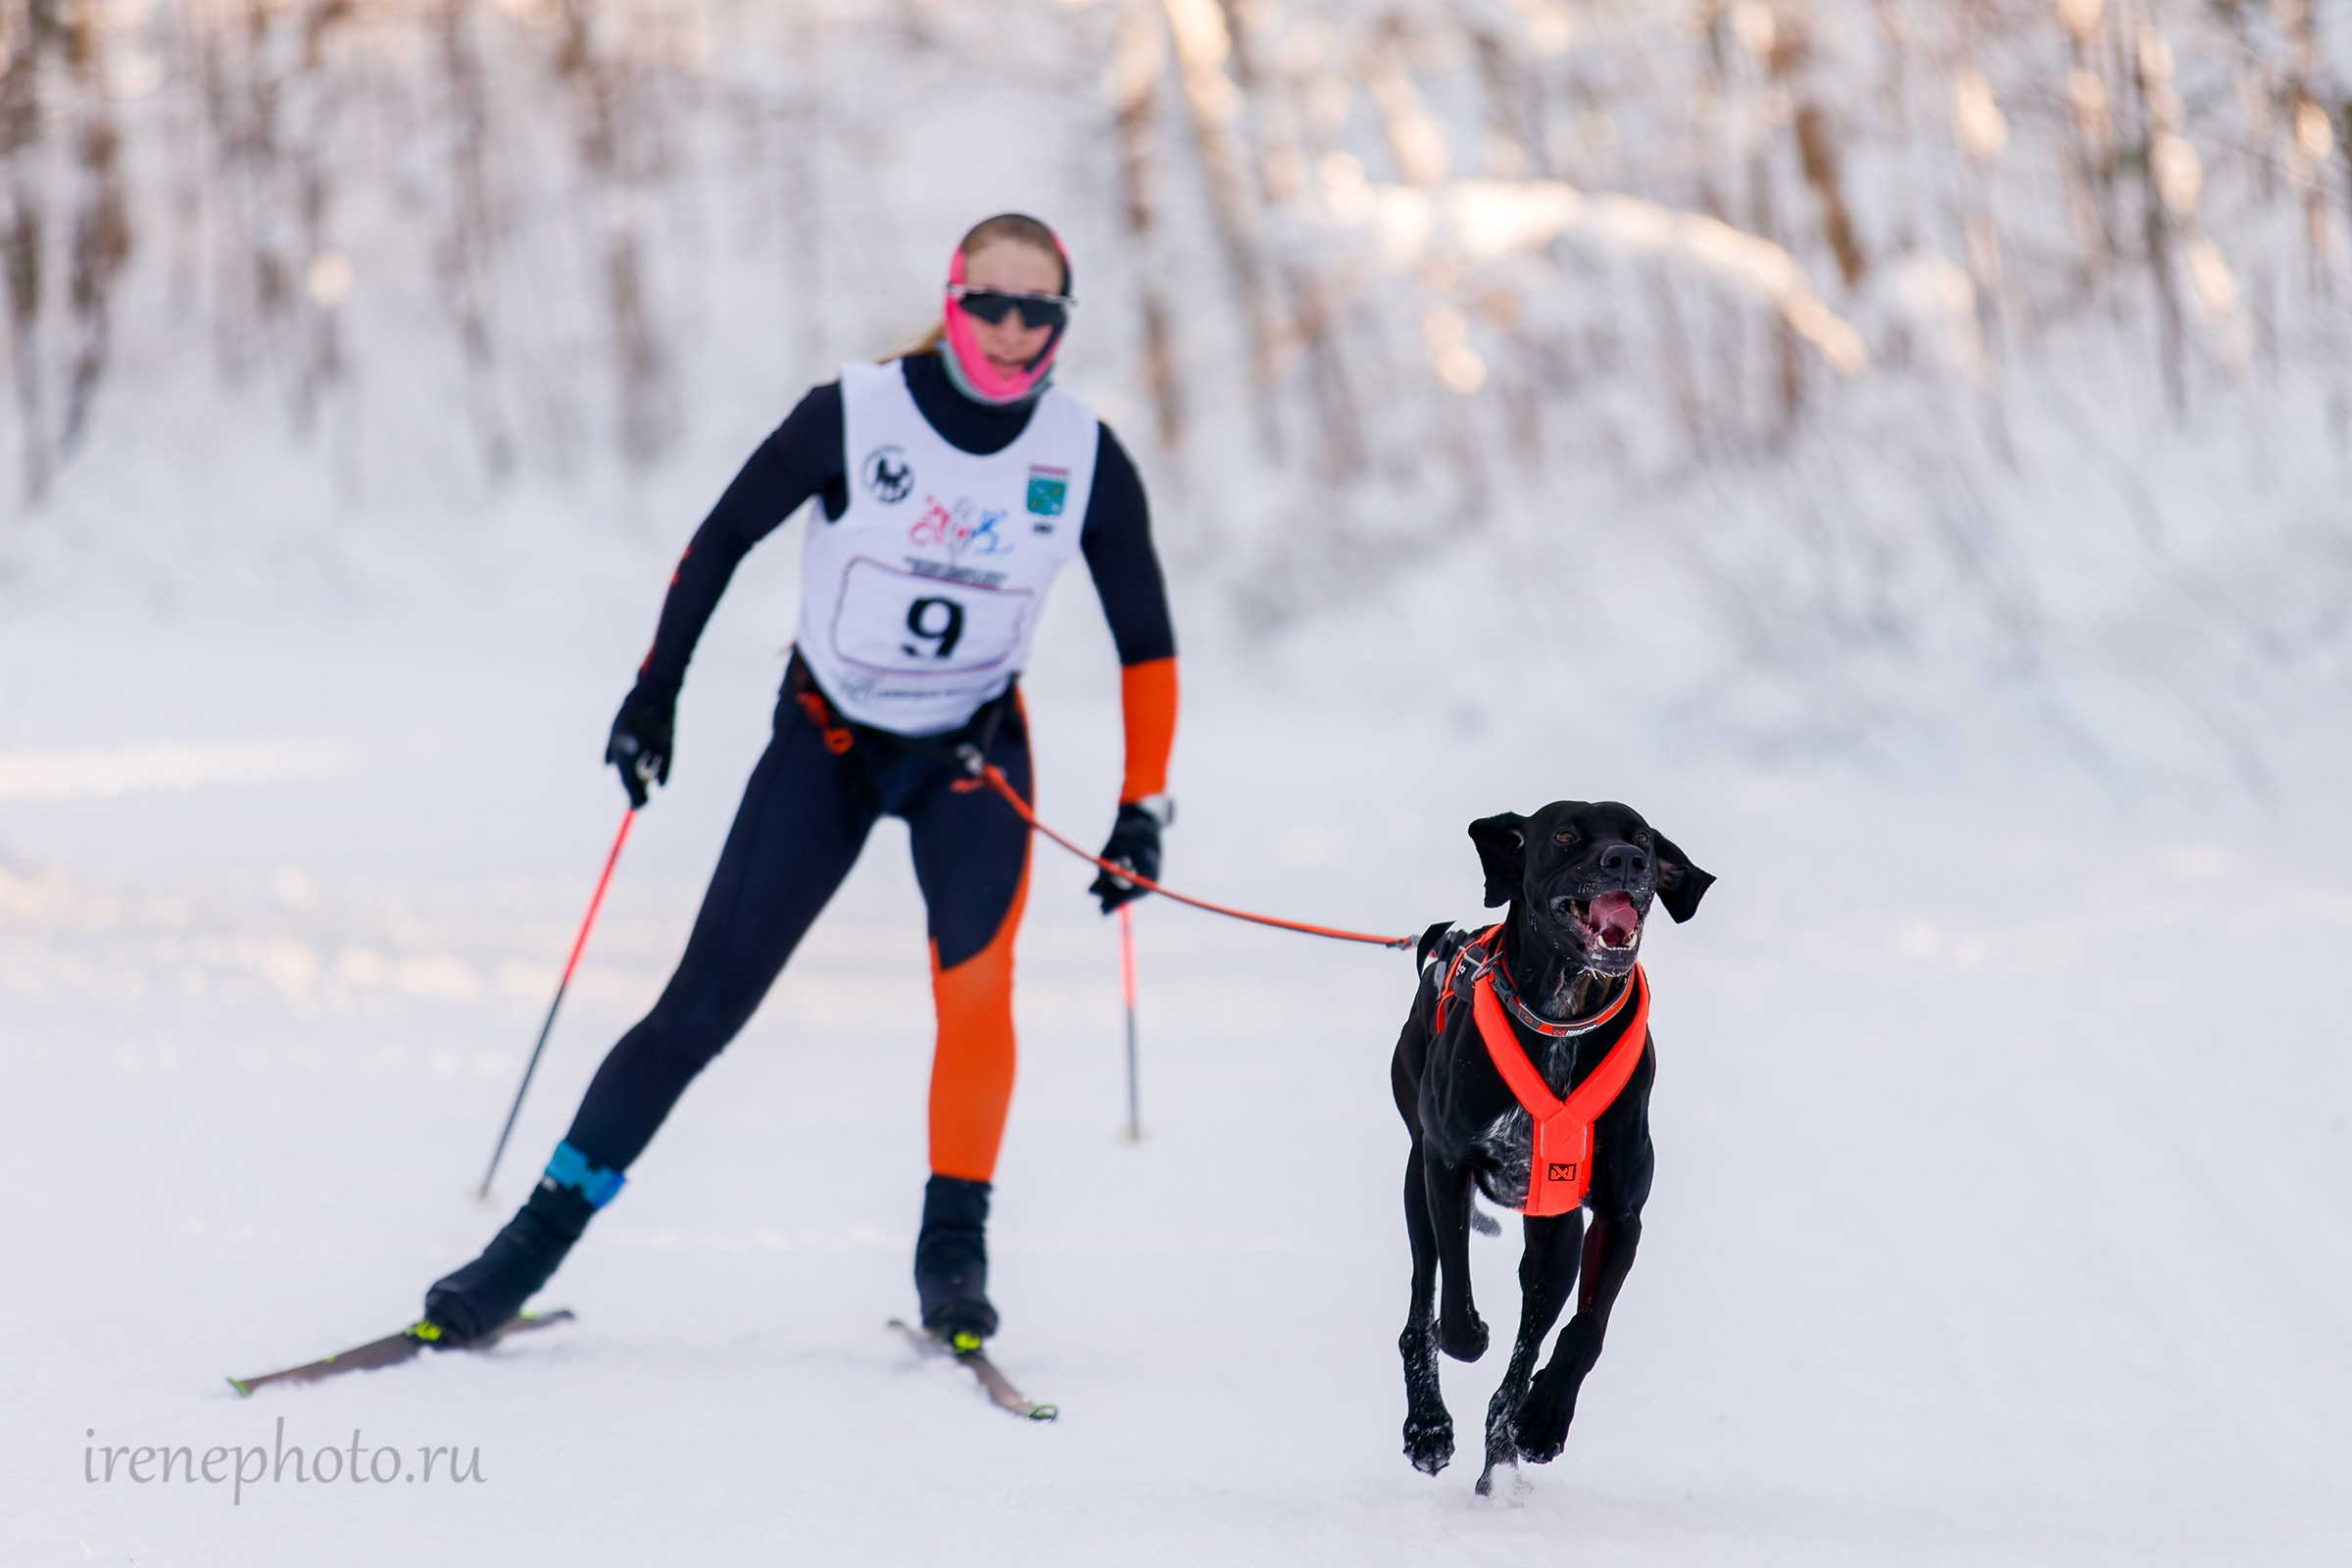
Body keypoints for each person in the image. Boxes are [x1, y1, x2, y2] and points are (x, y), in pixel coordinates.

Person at [423, 214, 1178, 1348]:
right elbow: (721, 537)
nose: (1013, 331)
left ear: (1062, 323)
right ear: (954, 297)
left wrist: (1143, 804)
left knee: (977, 996)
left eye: (1040, 312)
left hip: (972, 757)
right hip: (825, 744)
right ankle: (527, 1246)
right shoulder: (856, 411)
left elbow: (1147, 643)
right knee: (700, 1008)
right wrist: (654, 689)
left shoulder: (1082, 456)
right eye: (991, 304)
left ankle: (952, 1254)